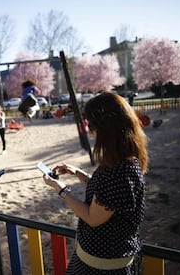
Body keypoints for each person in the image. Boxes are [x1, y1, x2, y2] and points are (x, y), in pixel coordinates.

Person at [42, 92, 148, 274]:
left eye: (90, 124)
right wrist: (78, 173)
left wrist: (60, 189)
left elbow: (93, 217)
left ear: (107, 127)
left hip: (102, 266)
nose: (89, 130)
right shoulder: (120, 160)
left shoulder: (120, 170)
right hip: (95, 258)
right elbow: (107, 198)